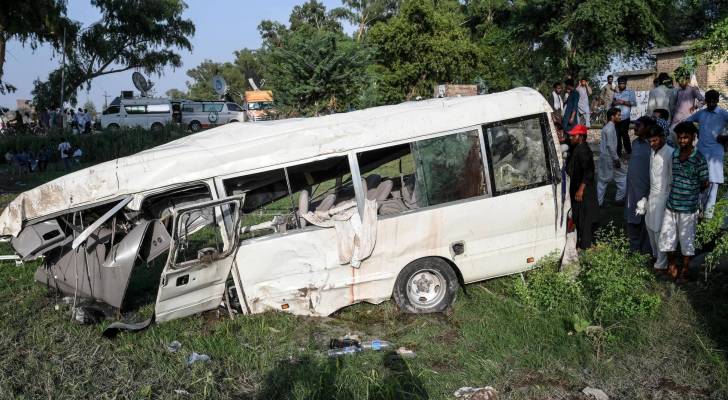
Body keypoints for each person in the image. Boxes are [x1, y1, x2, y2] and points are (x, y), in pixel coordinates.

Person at [659, 121, 709, 282]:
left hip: (689, 208)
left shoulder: (699, 158)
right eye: (679, 138)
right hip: (671, 205)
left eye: (685, 138)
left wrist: (691, 192)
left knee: (687, 241)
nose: (682, 141)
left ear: (693, 137)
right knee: (667, 237)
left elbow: (705, 182)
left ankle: (685, 271)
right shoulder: (674, 154)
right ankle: (672, 266)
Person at [684, 89, 728, 218]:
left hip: (715, 154)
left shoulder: (723, 114)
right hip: (701, 152)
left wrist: (725, 138)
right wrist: (696, 131)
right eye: (709, 101)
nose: (711, 103)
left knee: (713, 183)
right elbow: (687, 122)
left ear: (718, 100)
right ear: (706, 101)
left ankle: (708, 216)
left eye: (714, 101)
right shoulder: (701, 113)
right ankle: (697, 212)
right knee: (699, 180)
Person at [640, 125, 673, 271]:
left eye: (655, 140)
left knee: (659, 230)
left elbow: (672, 179)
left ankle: (661, 264)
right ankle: (655, 256)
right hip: (652, 196)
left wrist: (668, 201)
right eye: (650, 141)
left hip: (663, 196)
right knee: (649, 227)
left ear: (663, 138)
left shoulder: (670, 153)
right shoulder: (652, 153)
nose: (652, 144)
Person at [566, 124, 599, 249]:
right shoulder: (577, 148)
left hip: (584, 190)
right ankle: (580, 241)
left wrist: (581, 189)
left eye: (573, 136)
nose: (570, 138)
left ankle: (585, 245)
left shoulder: (584, 151)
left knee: (585, 218)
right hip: (577, 187)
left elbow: (588, 172)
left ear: (580, 137)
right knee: (578, 216)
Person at [625, 116, 654, 254]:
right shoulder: (635, 143)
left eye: (639, 125)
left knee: (647, 222)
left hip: (648, 190)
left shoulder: (654, 145)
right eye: (635, 125)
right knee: (632, 218)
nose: (635, 128)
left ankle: (647, 252)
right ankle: (634, 250)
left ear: (648, 128)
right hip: (632, 189)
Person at [597, 107, 626, 206]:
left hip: (607, 158)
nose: (620, 117)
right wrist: (616, 159)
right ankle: (617, 198)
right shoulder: (609, 128)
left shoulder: (610, 127)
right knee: (606, 180)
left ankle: (603, 201)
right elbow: (610, 145)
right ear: (612, 117)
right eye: (618, 115)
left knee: (605, 180)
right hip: (609, 158)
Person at [612, 76, 637, 155]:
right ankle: (618, 152)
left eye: (623, 83)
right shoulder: (615, 92)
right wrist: (615, 103)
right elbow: (612, 103)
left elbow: (634, 103)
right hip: (616, 118)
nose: (621, 85)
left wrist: (623, 102)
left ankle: (629, 151)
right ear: (618, 84)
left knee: (624, 134)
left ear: (625, 84)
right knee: (617, 135)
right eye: (620, 83)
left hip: (625, 117)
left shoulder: (630, 92)